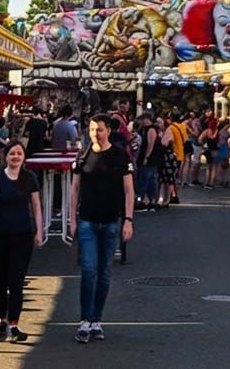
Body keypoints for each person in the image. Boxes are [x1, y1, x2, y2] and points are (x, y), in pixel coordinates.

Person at [69, 113, 134, 343]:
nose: (96, 133)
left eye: (100, 129)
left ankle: (97, 319)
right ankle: (84, 320)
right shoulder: (84, 154)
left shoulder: (119, 155)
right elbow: (75, 188)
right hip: (87, 220)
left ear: (108, 131)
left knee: (104, 274)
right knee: (88, 270)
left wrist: (128, 220)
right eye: (92, 129)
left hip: (110, 221)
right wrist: (72, 219)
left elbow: (129, 190)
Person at [0, 140, 44, 343]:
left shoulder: (29, 178)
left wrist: (39, 231)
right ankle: (1, 320)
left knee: (16, 281)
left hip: (22, 235)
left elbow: (36, 207)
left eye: (19, 154)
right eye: (12, 153)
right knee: (0, 281)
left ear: (24, 157)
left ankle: (14, 324)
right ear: (5, 156)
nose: (15, 157)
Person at [135, 112, 160, 211]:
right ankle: (151, 200)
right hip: (146, 157)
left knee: (145, 179)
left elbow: (150, 145)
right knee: (149, 180)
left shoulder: (151, 130)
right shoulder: (143, 130)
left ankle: (143, 200)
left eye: (143, 119)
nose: (142, 122)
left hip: (150, 158)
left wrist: (146, 157)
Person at [214, 118, 230, 187]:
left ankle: (221, 179)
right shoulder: (222, 132)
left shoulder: (220, 131)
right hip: (223, 148)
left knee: (222, 165)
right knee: (222, 165)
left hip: (223, 148)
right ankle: (221, 180)